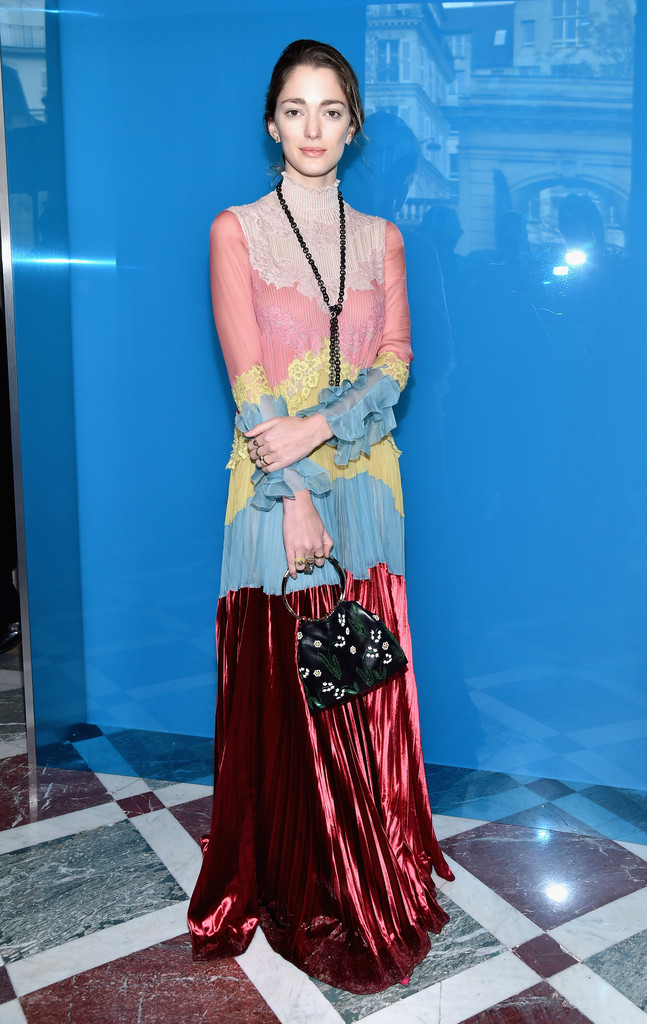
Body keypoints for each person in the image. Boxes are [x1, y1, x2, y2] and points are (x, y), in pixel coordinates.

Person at [188, 38, 453, 995]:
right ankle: (306, 884)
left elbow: (397, 362)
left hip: (368, 482)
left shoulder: (382, 238)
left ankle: (370, 866)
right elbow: (248, 382)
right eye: (295, 109)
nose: (312, 128)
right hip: (276, 492)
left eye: (330, 110)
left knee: (359, 683)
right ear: (272, 123)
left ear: (353, 125)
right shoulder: (234, 230)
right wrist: (295, 488)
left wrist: (323, 428)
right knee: (294, 695)